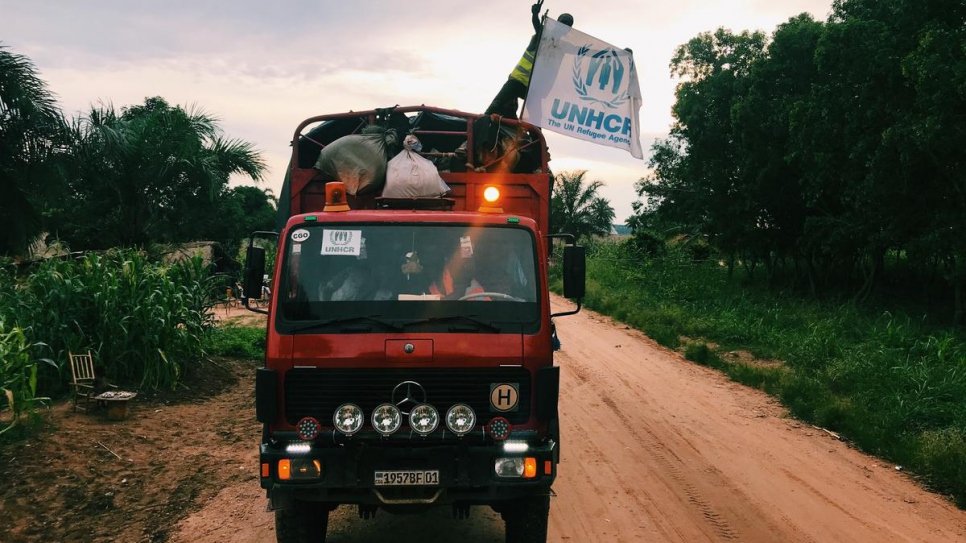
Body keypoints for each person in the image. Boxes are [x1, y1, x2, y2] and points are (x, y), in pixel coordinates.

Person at [484, 1, 573, 119]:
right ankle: (477, 128)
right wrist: (535, 14)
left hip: (533, 88)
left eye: (567, 25)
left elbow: (582, 51)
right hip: (517, 80)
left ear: (569, 30)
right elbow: (537, 25)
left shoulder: (562, 47)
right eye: (563, 23)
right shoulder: (542, 34)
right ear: (556, 23)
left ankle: (531, 137)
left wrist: (604, 54)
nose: (564, 26)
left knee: (536, 123)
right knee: (495, 106)